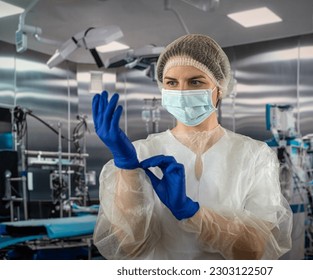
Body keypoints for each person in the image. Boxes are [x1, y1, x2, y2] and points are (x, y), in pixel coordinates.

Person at [92, 34, 292, 260]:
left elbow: (254, 251)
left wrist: (191, 212)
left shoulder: (254, 156)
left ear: (220, 87)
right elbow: (129, 248)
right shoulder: (141, 154)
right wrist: (127, 168)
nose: (182, 92)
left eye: (195, 82)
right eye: (171, 83)